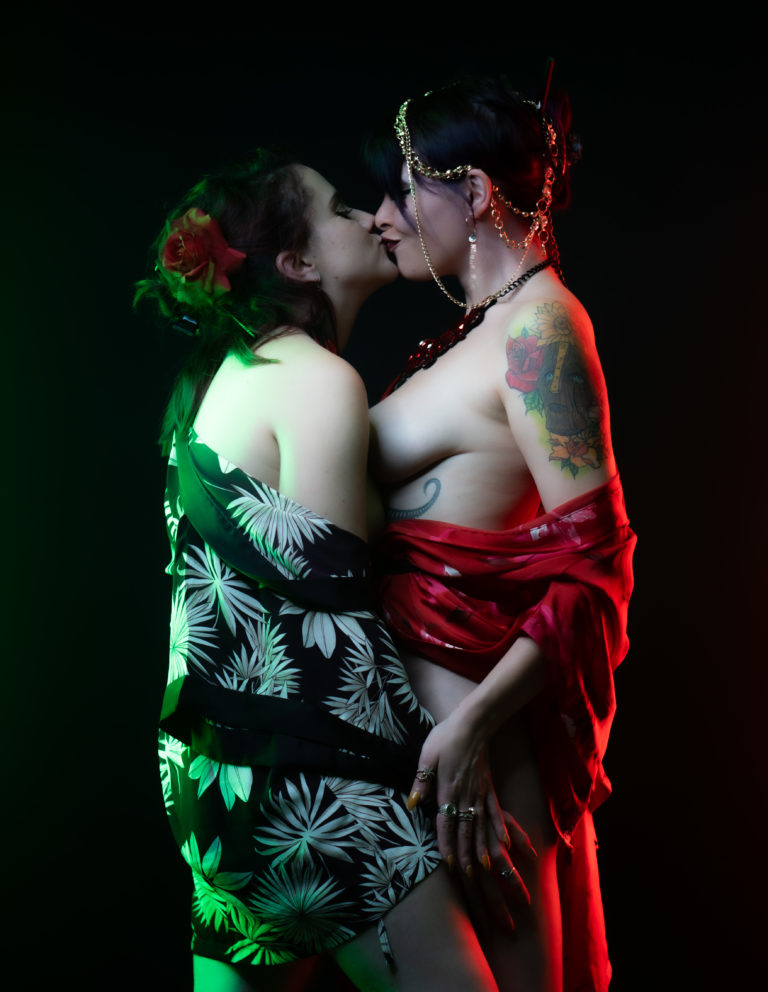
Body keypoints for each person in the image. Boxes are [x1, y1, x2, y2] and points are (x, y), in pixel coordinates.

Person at [136, 150, 508, 992]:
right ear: (298, 264)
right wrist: (455, 766)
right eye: (341, 209)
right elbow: (339, 637)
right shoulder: (318, 379)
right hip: (304, 783)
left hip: (206, 787)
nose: (372, 216)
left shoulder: (221, 384)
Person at [367, 75, 636, 992]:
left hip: (478, 748)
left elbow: (598, 566)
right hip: (437, 742)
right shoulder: (484, 331)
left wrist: (474, 725)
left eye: (405, 189)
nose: (385, 217)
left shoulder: (540, 331)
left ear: (476, 192)